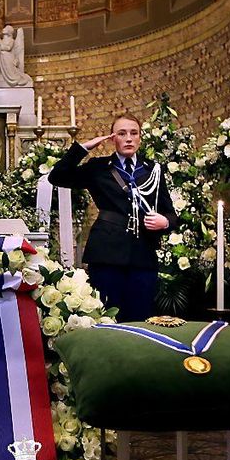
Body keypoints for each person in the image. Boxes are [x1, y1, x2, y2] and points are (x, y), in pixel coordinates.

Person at [48, 113, 178, 322]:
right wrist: (84, 147)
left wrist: (165, 222)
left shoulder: (152, 169)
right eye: (122, 133)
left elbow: (171, 213)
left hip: (142, 255)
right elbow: (57, 176)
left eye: (133, 133)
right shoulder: (98, 168)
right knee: (109, 317)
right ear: (113, 138)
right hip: (107, 253)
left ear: (140, 138)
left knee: (140, 318)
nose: (128, 138)